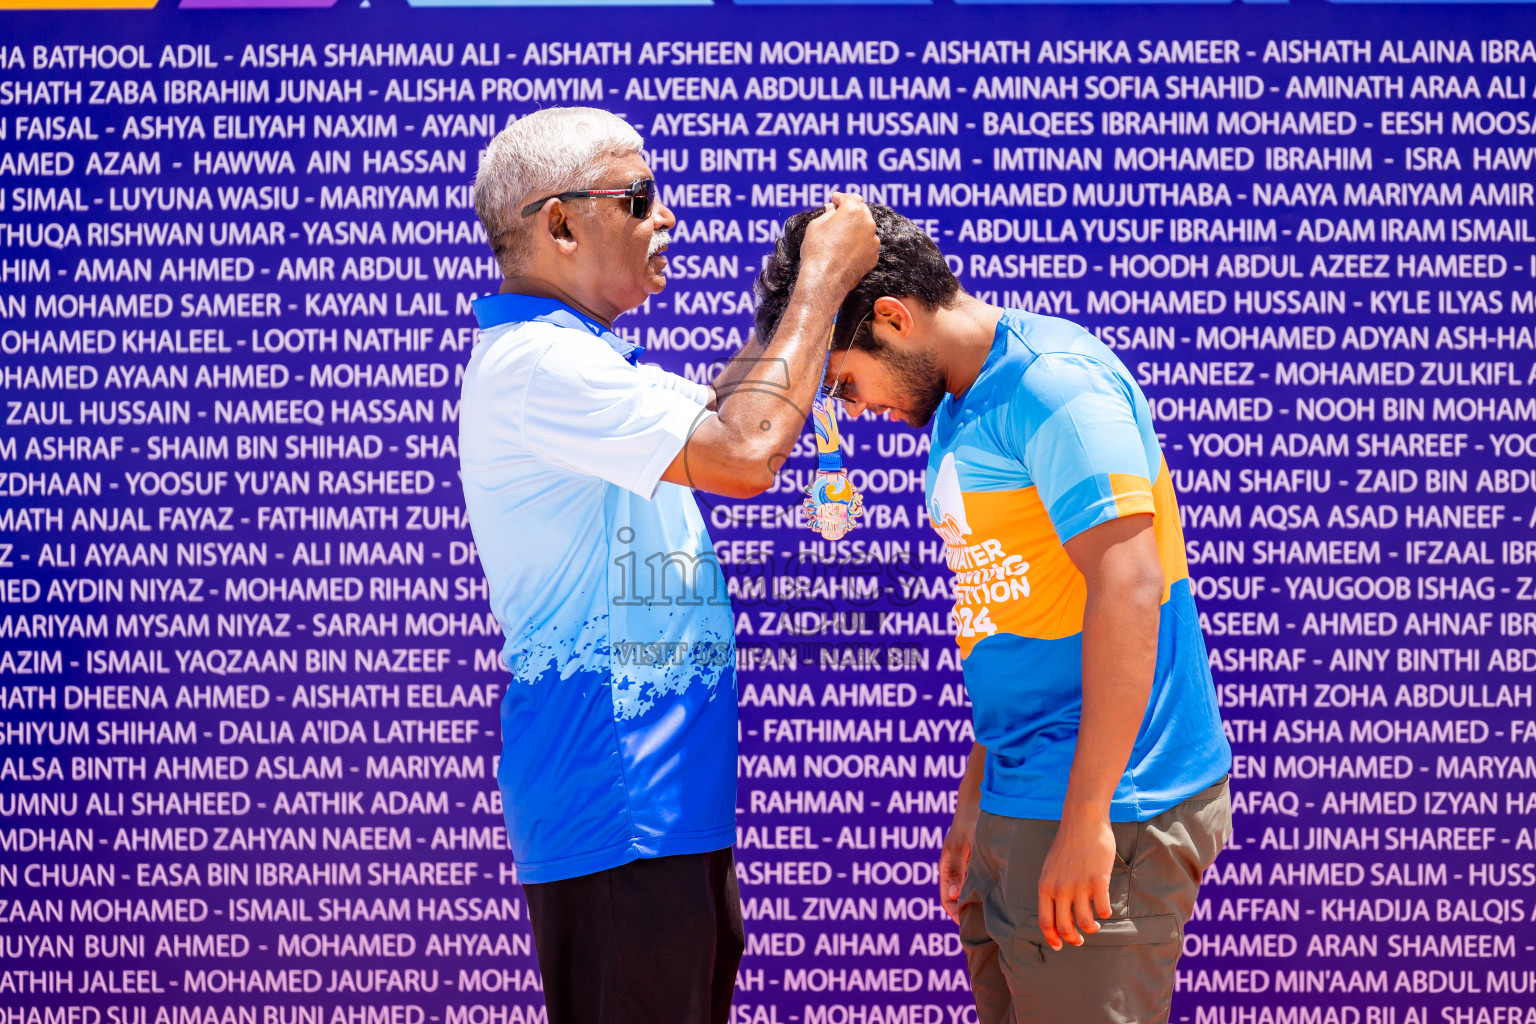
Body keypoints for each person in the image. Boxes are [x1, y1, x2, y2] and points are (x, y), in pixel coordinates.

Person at [752, 206, 1233, 1024]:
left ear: (894, 321)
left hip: (1110, 806)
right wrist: (981, 794)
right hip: (1024, 796)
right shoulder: (959, 407)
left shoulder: (1055, 385)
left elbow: (1130, 585)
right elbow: (1010, 608)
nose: (852, 410)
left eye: (842, 381)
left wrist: (1087, 818)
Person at [457, 107, 877, 1024]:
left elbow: (734, 410)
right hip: (623, 800)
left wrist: (794, 307)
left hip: (653, 802)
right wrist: (820, 280)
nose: (667, 218)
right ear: (559, 224)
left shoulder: (579, 358)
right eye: (638, 198)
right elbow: (746, 451)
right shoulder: (544, 366)